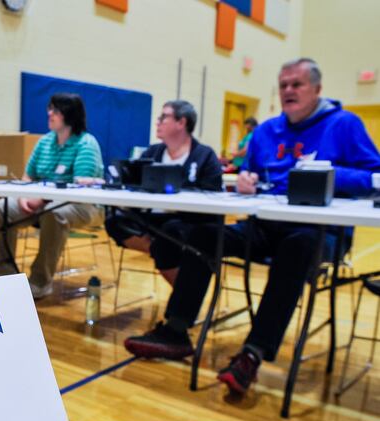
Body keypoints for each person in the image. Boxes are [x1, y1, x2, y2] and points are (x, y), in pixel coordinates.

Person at [123, 58, 380, 395]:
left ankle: (252, 353)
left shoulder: (345, 124)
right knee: (203, 234)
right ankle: (176, 330)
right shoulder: (266, 131)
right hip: (264, 228)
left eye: (297, 84)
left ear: (317, 89)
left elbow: (373, 175)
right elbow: (255, 178)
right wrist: (247, 181)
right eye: (283, 84)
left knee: (296, 247)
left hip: (320, 233)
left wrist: (326, 172)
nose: (288, 90)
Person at [0, 93, 104, 299]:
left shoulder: (86, 143)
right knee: (1, 207)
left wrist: (41, 200)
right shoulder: (44, 142)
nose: (49, 113)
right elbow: (27, 176)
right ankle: (3, 273)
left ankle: (40, 281)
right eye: (50, 109)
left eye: (56, 110)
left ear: (70, 115)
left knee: (54, 214)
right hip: (39, 202)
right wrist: (23, 198)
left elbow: (79, 187)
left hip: (83, 205)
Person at [105, 100, 222, 285]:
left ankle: (183, 295)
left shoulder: (205, 156)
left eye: (163, 117)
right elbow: (133, 182)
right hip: (151, 218)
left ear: (181, 123)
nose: (157, 122)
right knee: (115, 221)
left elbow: (213, 196)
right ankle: (161, 251)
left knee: (170, 235)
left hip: (186, 221)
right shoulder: (152, 152)